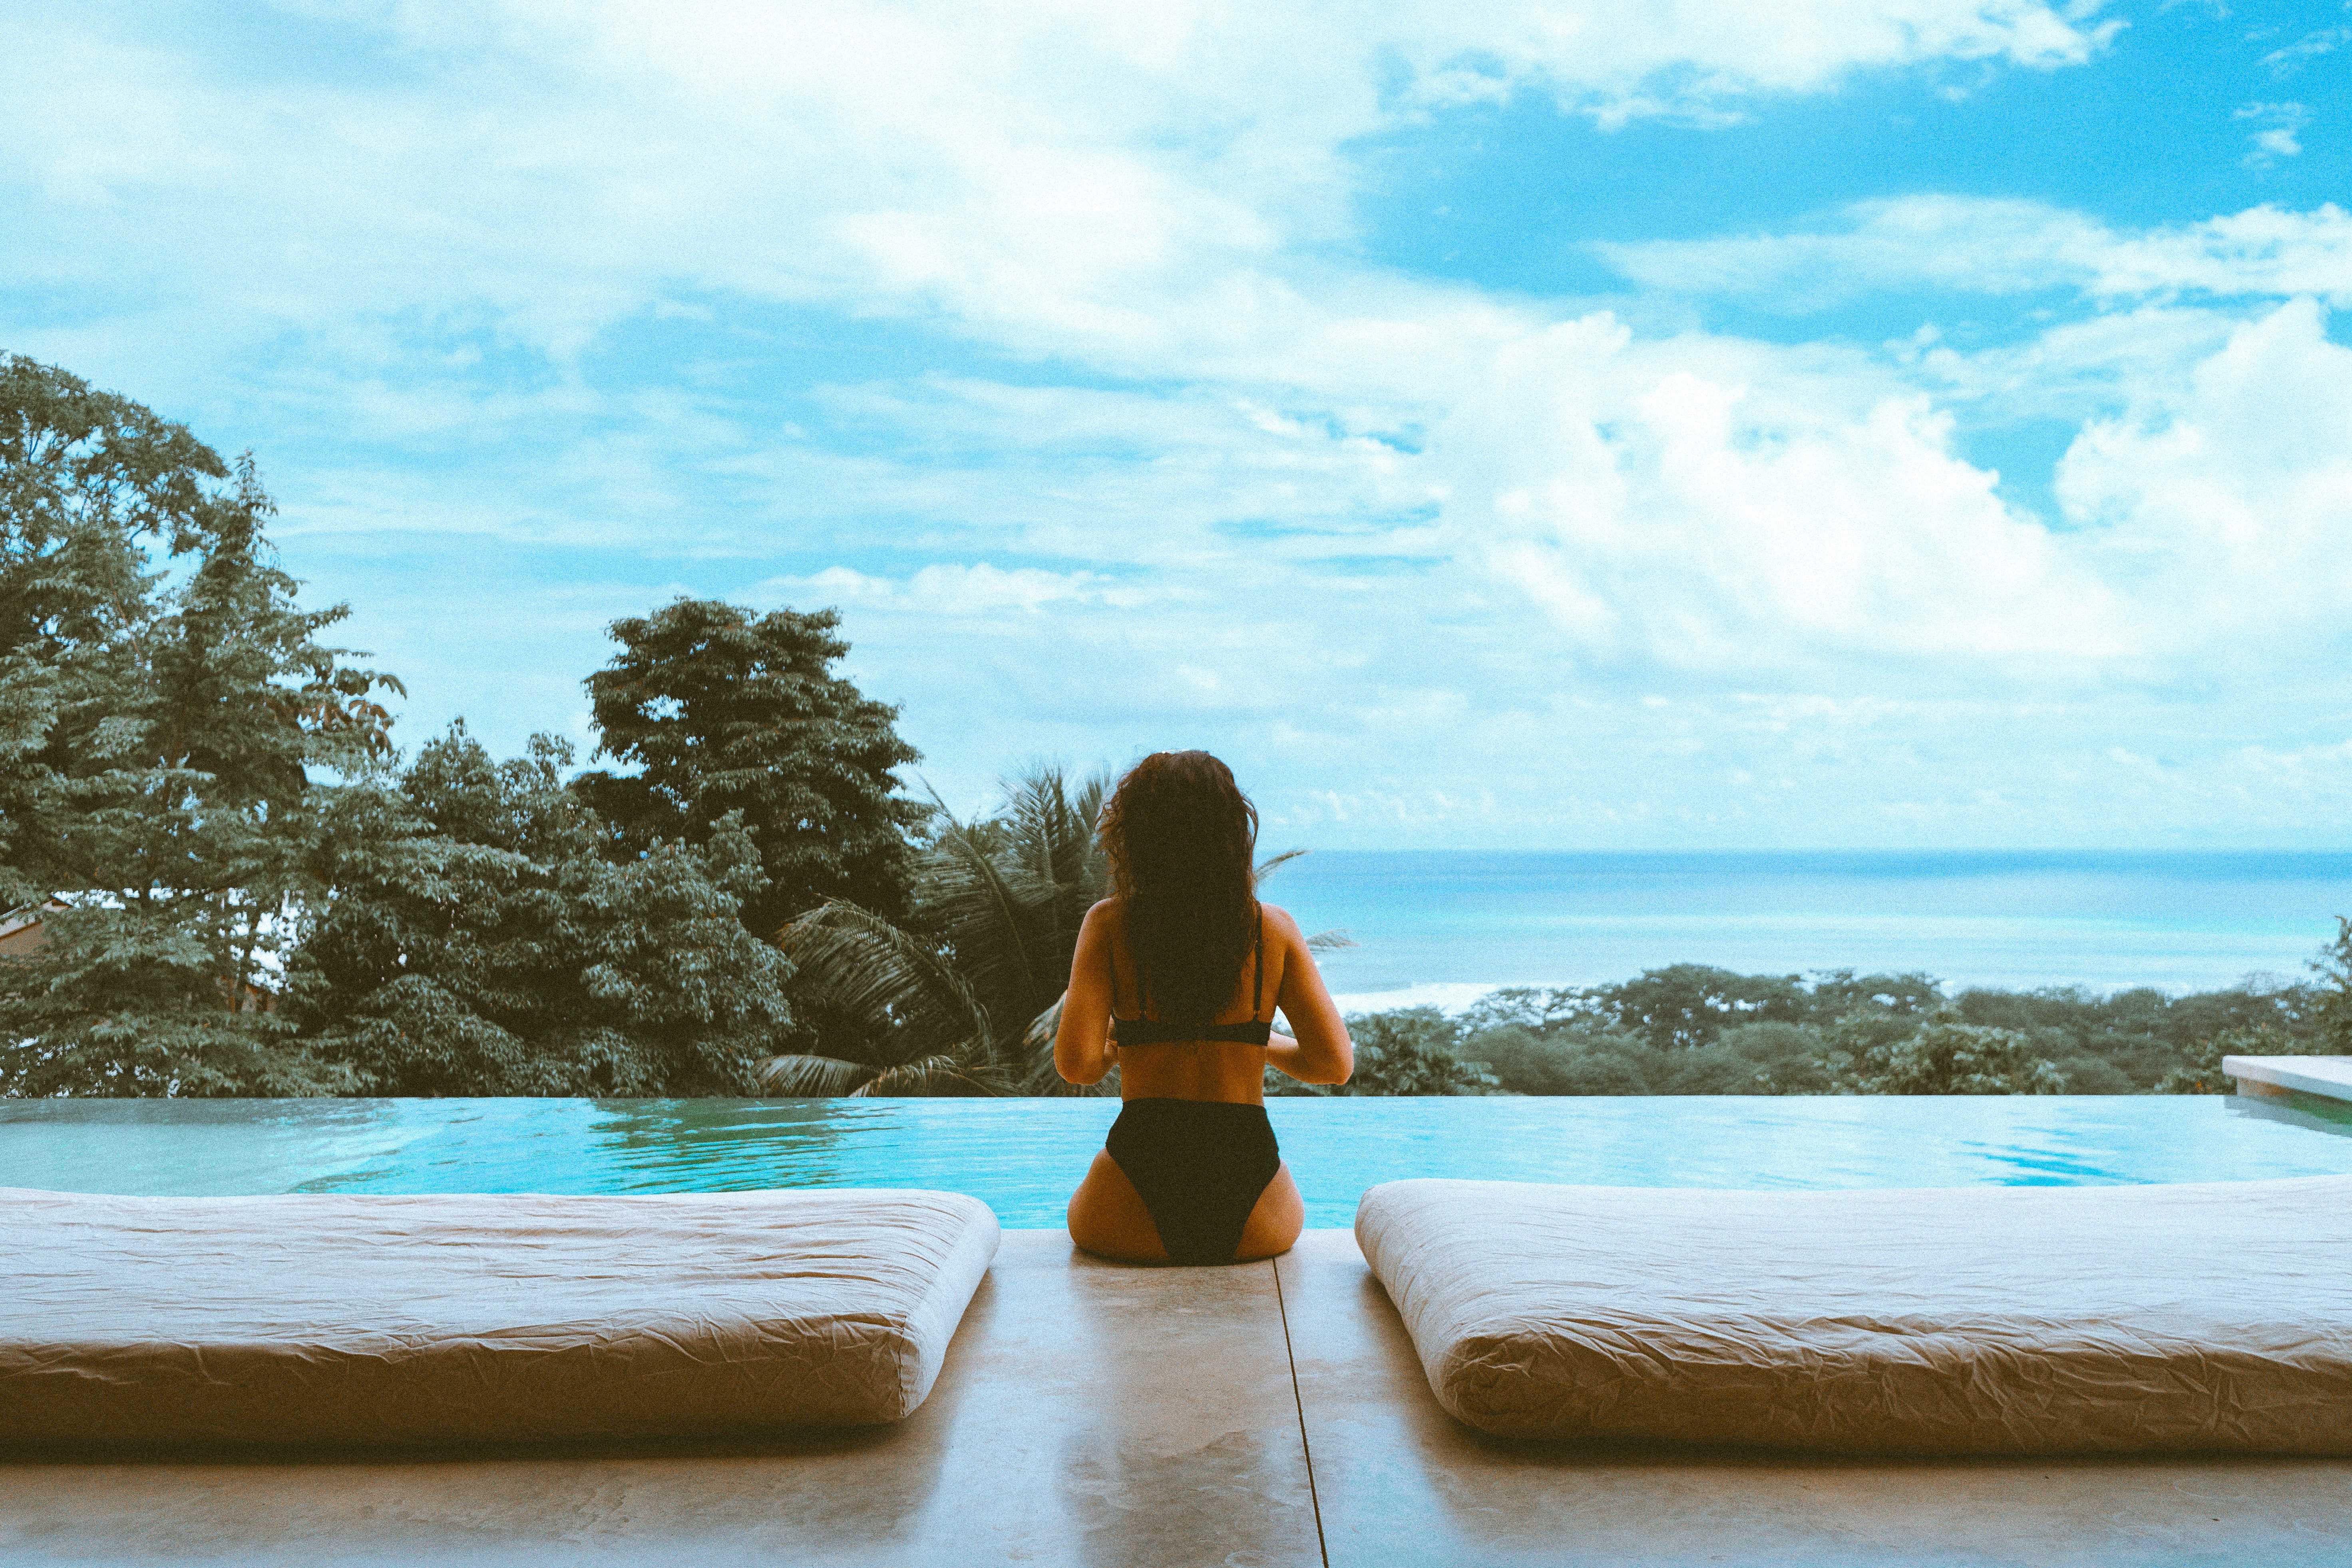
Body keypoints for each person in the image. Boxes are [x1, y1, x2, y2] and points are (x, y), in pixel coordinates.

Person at [1055, 750, 1354, 1264]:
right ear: (1233, 836)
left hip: (1130, 1201)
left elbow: (1077, 1067)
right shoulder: (1273, 929)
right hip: (1256, 1210)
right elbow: (1333, 1065)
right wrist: (1255, 1043)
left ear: (1136, 840)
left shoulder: (1108, 925)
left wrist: (1115, 1045)